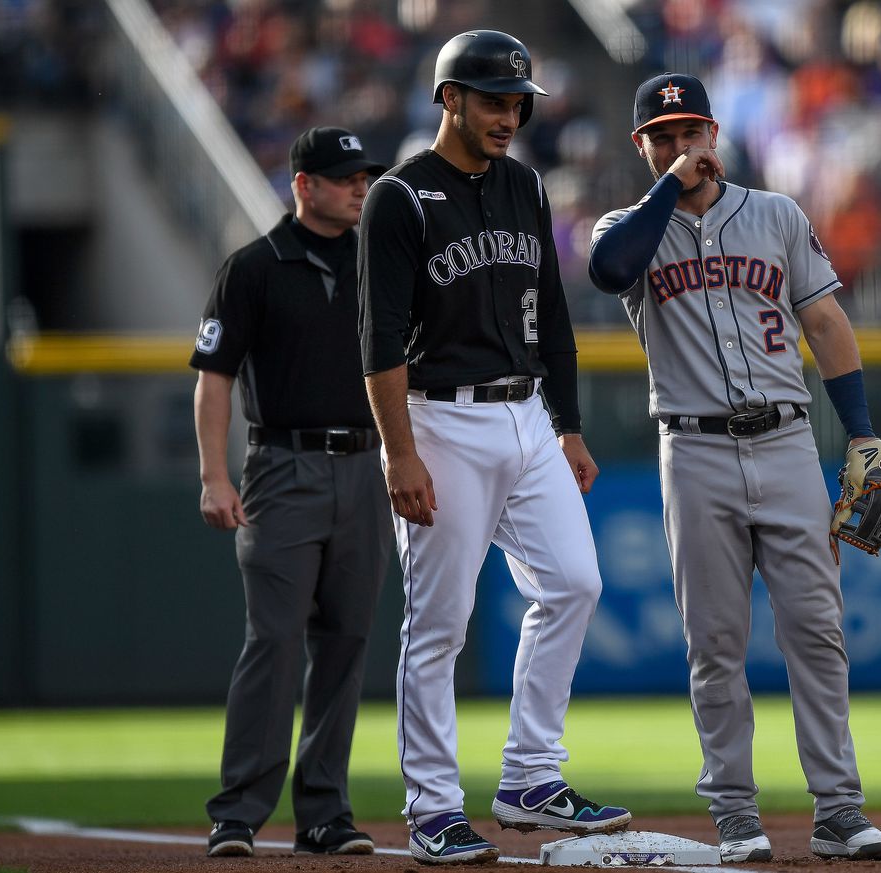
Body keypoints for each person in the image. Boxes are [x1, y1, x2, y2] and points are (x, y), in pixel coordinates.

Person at [588, 73, 881, 863]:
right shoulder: (630, 224)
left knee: (818, 629)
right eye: (663, 136)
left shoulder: (775, 215)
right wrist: (667, 187)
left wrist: (861, 432)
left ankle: (839, 810)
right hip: (692, 448)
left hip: (787, 439)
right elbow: (606, 269)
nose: (680, 145)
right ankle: (734, 813)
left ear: (714, 133)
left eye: (690, 131)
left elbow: (826, 322)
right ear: (643, 147)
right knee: (715, 641)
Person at [357, 30, 631, 865]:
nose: (508, 114)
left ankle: (530, 777)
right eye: (491, 99)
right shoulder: (399, 197)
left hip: (527, 418)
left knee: (575, 582)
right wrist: (399, 451)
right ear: (449, 100)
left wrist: (570, 423)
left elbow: (550, 313)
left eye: (517, 101)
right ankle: (434, 807)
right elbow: (378, 341)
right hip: (438, 420)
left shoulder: (523, 184)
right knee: (438, 623)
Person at [190, 127, 392, 858]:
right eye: (344, 178)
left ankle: (324, 814)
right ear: (304, 185)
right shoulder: (253, 267)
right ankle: (238, 810)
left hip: (366, 466)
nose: (360, 186)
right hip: (282, 467)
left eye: (364, 176)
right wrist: (215, 475)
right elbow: (213, 377)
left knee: (346, 644)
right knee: (273, 641)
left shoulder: (379, 263)